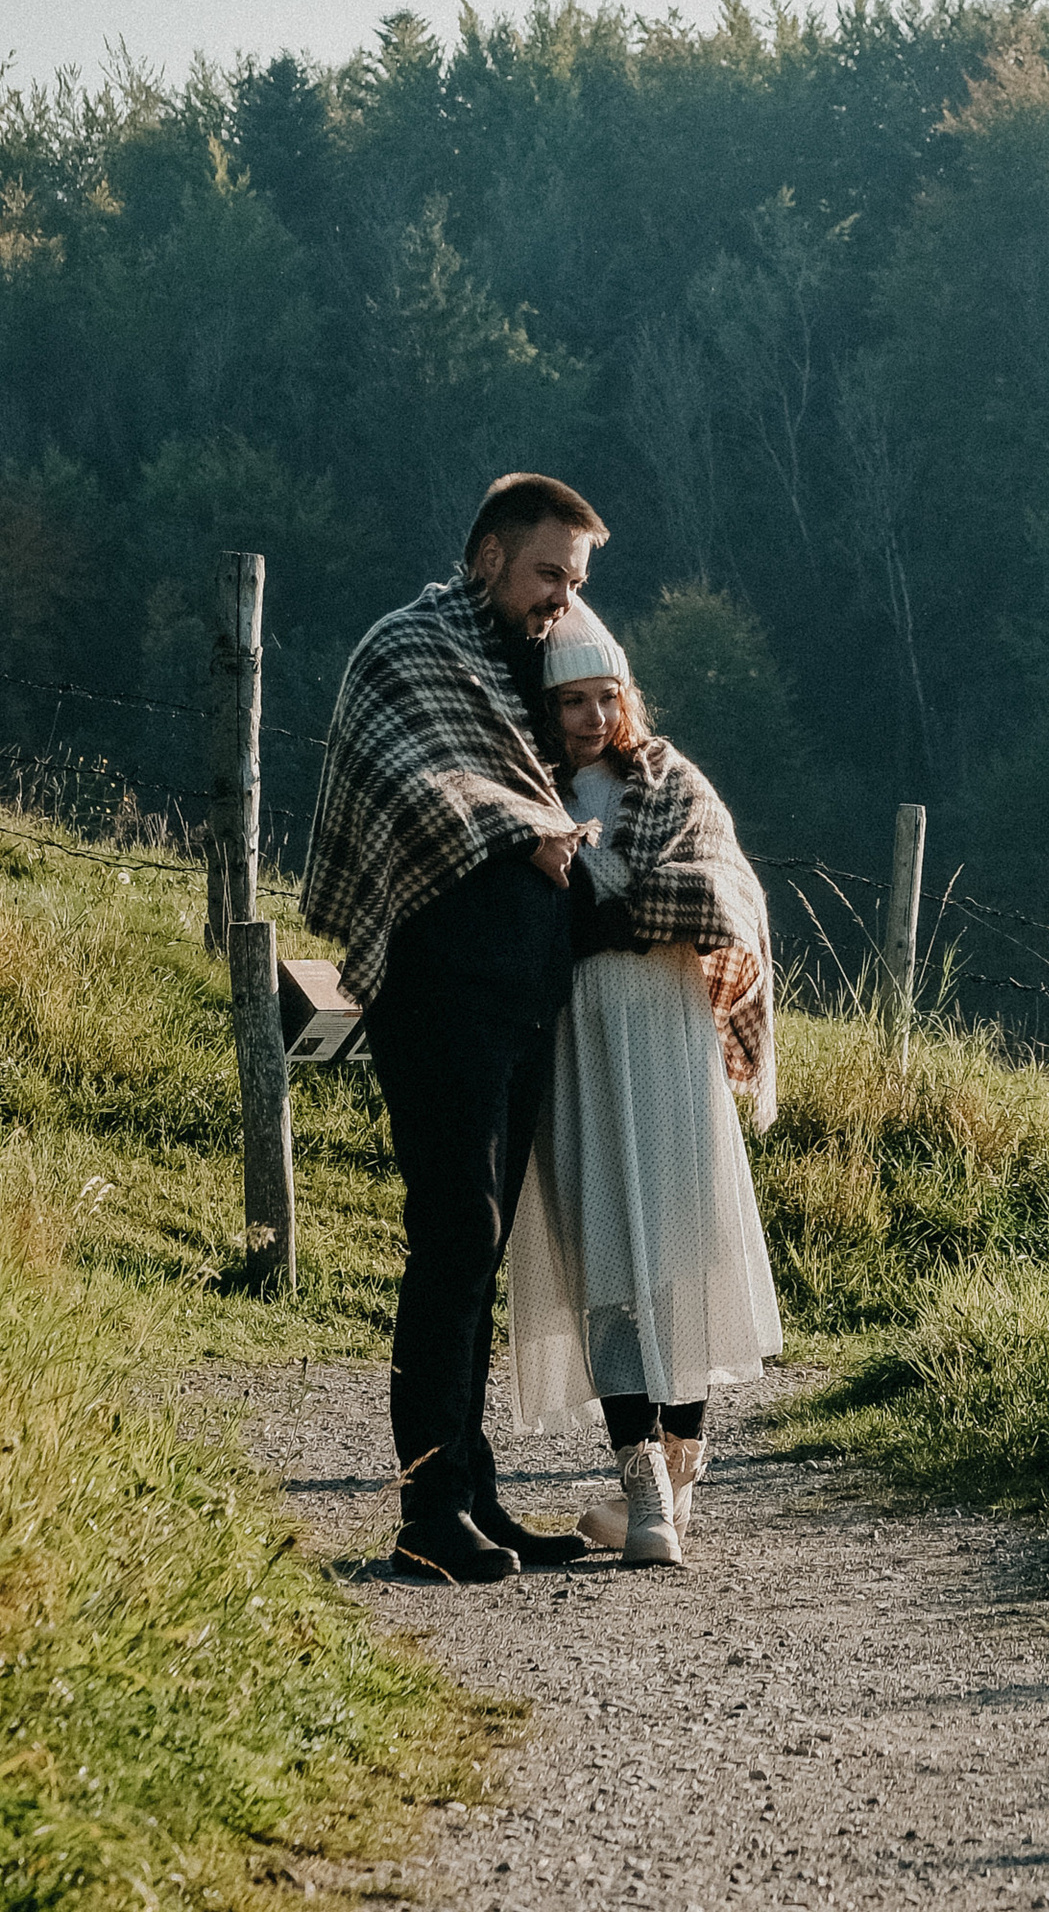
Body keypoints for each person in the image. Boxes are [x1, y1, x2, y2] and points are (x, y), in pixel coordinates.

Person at [305, 470, 610, 1585]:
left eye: (574, 583)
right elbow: (427, 784)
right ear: (488, 553)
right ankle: (426, 1512)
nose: (559, 600)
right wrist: (531, 825)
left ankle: (475, 1493)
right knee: (453, 1230)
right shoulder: (407, 646)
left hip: (521, 992)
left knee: (481, 1241)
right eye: (546, 574)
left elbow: (592, 757)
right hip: (436, 990)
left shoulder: (529, 669)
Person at [505, 606, 782, 1570]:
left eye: (603, 696)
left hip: (664, 1025)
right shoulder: (525, 783)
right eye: (569, 699)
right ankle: (645, 1491)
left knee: (678, 1250)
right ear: (545, 705)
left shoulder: (670, 782)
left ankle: (671, 1488)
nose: (588, 715)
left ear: (627, 695)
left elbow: (716, 891)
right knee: (608, 1262)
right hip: (578, 1030)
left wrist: (608, 908)